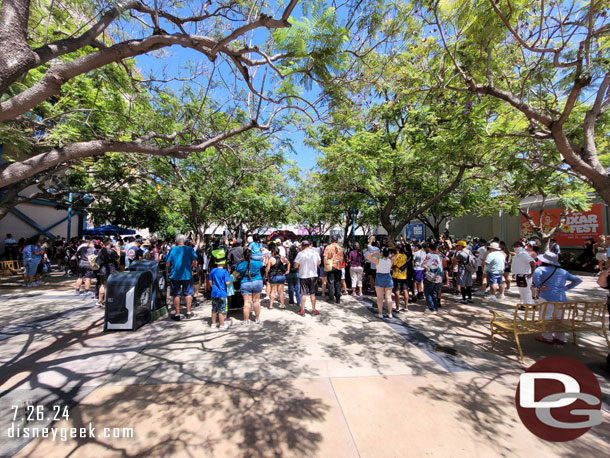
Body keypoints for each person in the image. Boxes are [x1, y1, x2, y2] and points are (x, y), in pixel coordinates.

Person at [532, 251, 582, 344]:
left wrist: (539, 285)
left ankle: (547, 336)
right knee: (559, 317)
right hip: (561, 297)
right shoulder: (563, 271)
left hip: (546, 295)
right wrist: (567, 287)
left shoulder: (541, 269)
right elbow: (577, 280)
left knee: (546, 316)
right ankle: (560, 337)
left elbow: (535, 276)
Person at [166, 234, 198, 320]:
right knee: (188, 293)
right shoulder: (189, 249)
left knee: (176, 294)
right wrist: (189, 266)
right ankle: (188, 312)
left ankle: (177, 314)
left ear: (176, 241)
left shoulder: (172, 250)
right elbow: (195, 262)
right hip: (187, 274)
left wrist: (173, 266)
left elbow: (167, 263)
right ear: (184, 241)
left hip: (175, 275)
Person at [235, 248, 265, 325]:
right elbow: (263, 264)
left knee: (247, 302)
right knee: (256, 301)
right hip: (257, 282)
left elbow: (237, 269)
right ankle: (257, 318)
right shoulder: (257, 263)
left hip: (245, 283)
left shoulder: (241, 264)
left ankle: (246, 320)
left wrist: (241, 260)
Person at [293, 240, 321, 316]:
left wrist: (299, 266)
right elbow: (319, 262)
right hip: (313, 275)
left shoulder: (300, 254)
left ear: (302, 246)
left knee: (303, 294)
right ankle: (314, 310)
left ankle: (302, 311)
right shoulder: (315, 253)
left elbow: (295, 265)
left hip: (303, 275)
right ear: (309, 245)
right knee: (313, 294)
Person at [365, 247, 395, 319]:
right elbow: (394, 254)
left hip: (379, 278)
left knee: (380, 297)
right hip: (388, 277)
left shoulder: (378, 260)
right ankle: (390, 313)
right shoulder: (391, 260)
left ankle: (380, 313)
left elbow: (367, 256)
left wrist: (375, 253)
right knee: (388, 297)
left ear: (382, 253)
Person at [96, 239, 120, 307]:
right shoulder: (111, 250)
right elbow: (117, 259)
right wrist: (118, 251)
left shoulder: (100, 250)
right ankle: (105, 301)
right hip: (110, 268)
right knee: (107, 286)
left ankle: (100, 300)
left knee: (102, 285)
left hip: (101, 269)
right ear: (109, 243)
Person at [209, 260, 231, 330]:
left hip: (214, 292)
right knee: (221, 309)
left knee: (214, 309)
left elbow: (210, 281)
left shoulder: (213, 271)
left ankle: (213, 323)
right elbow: (227, 283)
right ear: (224, 263)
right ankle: (221, 325)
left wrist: (213, 287)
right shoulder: (225, 272)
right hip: (222, 293)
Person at [266, 244, 290, 309]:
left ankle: (271, 305)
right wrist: (288, 270)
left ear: (273, 252)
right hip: (281, 276)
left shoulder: (271, 259)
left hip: (273, 276)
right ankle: (282, 305)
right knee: (281, 292)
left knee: (273, 291)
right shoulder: (282, 258)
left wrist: (266, 276)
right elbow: (288, 263)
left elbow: (268, 269)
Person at [422, 243, 443, 313]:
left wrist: (424, 264)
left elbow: (424, 265)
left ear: (429, 248)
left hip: (431, 276)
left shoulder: (430, 256)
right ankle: (435, 307)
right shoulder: (439, 256)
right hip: (438, 276)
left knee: (427, 292)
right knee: (434, 292)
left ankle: (431, 308)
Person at [323, 236, 344, 304]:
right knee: (338, 282)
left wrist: (325, 266)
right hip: (338, 266)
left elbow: (325, 257)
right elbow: (342, 258)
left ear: (331, 240)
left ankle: (331, 299)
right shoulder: (340, 248)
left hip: (330, 266)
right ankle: (338, 299)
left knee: (331, 282)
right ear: (337, 240)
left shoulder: (328, 247)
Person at [391, 243, 409, 312]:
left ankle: (397, 308)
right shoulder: (405, 256)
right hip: (404, 276)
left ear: (397, 249)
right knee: (405, 290)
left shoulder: (395, 256)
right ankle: (406, 307)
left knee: (397, 291)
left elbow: (392, 264)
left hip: (396, 275)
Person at [286, 242, 301, 308]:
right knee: (297, 288)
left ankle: (291, 301)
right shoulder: (298, 257)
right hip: (297, 272)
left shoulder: (288, 257)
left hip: (290, 273)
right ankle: (299, 302)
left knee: (291, 288)